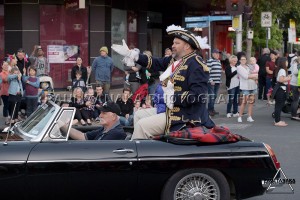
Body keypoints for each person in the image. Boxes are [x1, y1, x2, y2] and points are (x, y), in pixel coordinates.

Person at [112, 24, 214, 135]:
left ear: (187, 46)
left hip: (186, 115)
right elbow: (155, 63)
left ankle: (139, 150)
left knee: (143, 125)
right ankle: (147, 146)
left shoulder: (196, 64)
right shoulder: (174, 60)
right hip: (170, 109)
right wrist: (133, 55)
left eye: (177, 43)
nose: (172, 45)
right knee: (138, 115)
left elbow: (198, 95)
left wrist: (173, 96)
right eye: (173, 43)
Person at [236, 55, 258, 123]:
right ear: (240, 60)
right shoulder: (239, 67)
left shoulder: (249, 66)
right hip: (245, 87)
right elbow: (245, 76)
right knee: (244, 102)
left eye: (244, 59)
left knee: (251, 102)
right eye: (242, 59)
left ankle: (249, 116)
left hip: (253, 86)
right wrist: (254, 76)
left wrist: (253, 77)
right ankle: (240, 116)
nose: (243, 60)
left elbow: (256, 75)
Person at [273, 57, 292, 126]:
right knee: (279, 106)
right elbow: (281, 80)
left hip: (280, 89)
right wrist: (288, 78)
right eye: (286, 61)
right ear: (283, 63)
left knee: (278, 105)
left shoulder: (281, 70)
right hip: (281, 89)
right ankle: (277, 121)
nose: (287, 63)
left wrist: (287, 77)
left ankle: (277, 120)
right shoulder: (282, 70)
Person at [206, 48, 222, 116]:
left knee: (215, 96)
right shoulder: (210, 61)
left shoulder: (218, 61)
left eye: (218, 53)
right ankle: (209, 110)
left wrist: (219, 80)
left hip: (217, 82)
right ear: (213, 54)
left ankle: (212, 109)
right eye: (216, 53)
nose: (218, 55)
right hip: (211, 82)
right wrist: (210, 80)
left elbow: (219, 72)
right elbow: (207, 72)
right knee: (212, 96)